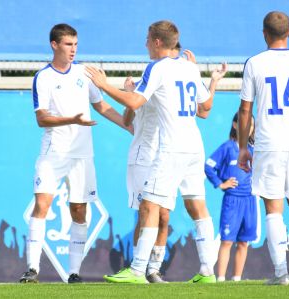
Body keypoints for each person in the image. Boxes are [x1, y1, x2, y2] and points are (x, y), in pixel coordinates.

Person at [86, 20, 227, 283]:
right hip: (194, 146)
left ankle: (139, 270)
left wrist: (104, 85)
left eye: (148, 39)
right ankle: (208, 270)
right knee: (198, 206)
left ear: (157, 42)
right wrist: (212, 82)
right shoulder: (189, 67)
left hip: (171, 147)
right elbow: (205, 108)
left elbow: (135, 101)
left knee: (149, 206)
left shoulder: (157, 68)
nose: (145, 43)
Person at [19, 23, 130, 284]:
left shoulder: (83, 72)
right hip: (54, 152)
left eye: (76, 44)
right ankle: (32, 270)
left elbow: (101, 106)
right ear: (54, 45)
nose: (73, 50)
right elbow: (42, 119)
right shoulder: (43, 77)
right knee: (42, 205)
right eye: (68, 44)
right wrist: (71, 119)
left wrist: (130, 127)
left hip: (82, 155)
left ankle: (74, 273)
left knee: (79, 211)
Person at [237, 11, 289, 285]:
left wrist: (242, 148)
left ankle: (280, 274)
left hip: (268, 143)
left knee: (273, 208)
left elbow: (245, 110)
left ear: (264, 33)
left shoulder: (255, 63)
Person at [123, 43, 197, 283]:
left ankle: (153, 269)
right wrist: (127, 96)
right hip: (144, 156)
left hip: (166, 155)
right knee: (145, 213)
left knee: (164, 215)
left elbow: (202, 108)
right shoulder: (149, 81)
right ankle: (137, 267)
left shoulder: (174, 86)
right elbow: (128, 118)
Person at [205, 112, 256, 282]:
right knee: (227, 241)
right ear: (235, 125)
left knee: (243, 242)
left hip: (249, 201)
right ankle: (220, 279)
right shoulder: (227, 148)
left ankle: (236, 279)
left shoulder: (254, 150)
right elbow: (209, 166)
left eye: (251, 125)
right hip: (232, 200)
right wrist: (221, 183)